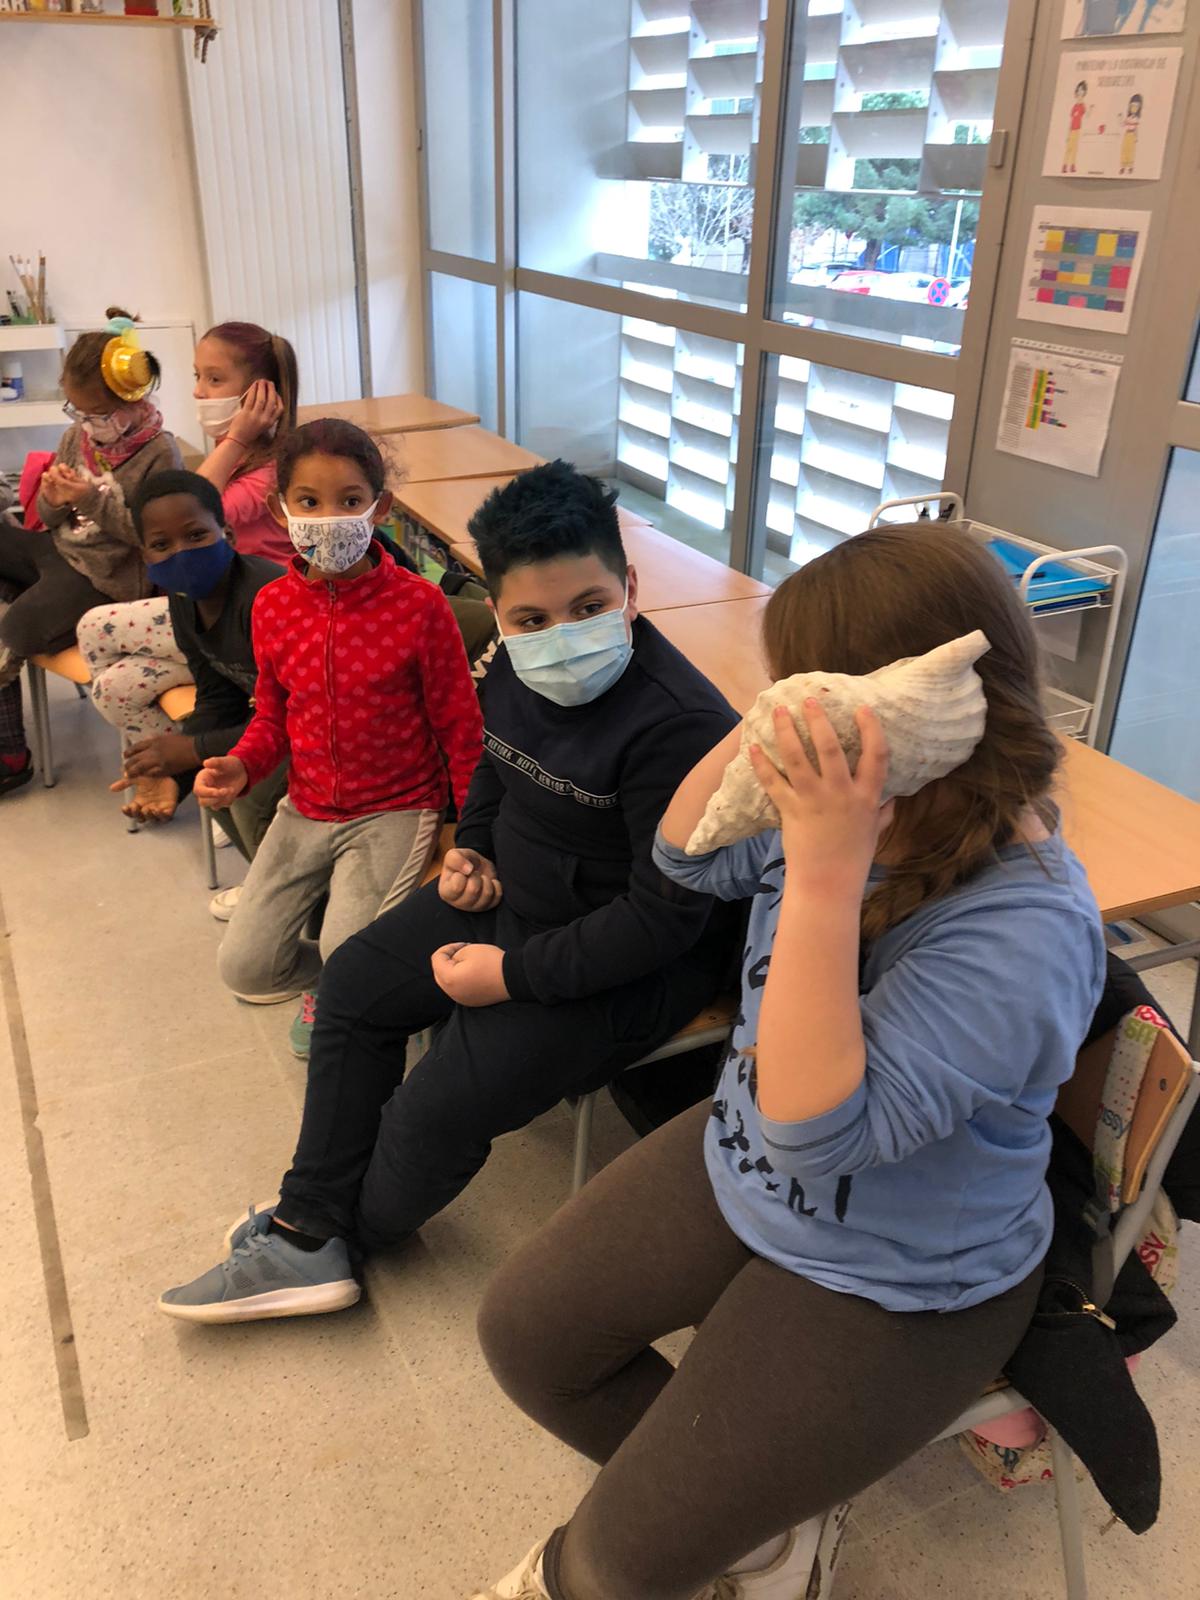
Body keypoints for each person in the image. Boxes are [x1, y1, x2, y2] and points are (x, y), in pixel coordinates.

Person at [468, 521, 1107, 1600]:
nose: (788, 719)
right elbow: (681, 854)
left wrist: (821, 873)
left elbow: (813, 1132)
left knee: (612, 1564)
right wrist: (772, 732)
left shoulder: (1022, 929)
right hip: (748, 1164)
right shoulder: (847, 808)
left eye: (817, 695)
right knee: (528, 1338)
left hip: (902, 1270)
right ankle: (767, 1530)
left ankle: (721, 1518)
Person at [157, 458, 739, 1323]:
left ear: (631, 586)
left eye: (590, 606)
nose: (563, 635)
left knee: (433, 1110)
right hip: (518, 898)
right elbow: (495, 767)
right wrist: (474, 847)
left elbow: (663, 921)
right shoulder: (512, 663)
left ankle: (336, 1237)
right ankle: (310, 1220)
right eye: (532, 618)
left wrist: (511, 977)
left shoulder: (682, 726)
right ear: (497, 610)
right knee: (353, 984)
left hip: (630, 959)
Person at [193, 418, 483, 1058]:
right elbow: (272, 717)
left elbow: (460, 729)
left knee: (343, 950)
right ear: (281, 509)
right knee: (244, 967)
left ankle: (344, 986)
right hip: (307, 807)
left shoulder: (419, 607)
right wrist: (242, 765)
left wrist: (472, 830)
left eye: (350, 500)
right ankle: (343, 980)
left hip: (396, 809)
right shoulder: (273, 606)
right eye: (309, 501)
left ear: (380, 507)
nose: (330, 518)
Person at [76, 321, 297, 821]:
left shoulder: (269, 469)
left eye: (214, 379)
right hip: (215, 614)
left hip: (257, 619)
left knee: (94, 627)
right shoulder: (233, 459)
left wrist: (237, 437)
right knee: (113, 687)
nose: (198, 391)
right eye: (198, 376)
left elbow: (194, 507)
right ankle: (171, 776)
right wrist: (174, 756)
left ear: (261, 395)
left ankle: (202, 762)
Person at [0, 311, 180, 796]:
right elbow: (47, 516)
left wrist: (89, 499)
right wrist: (53, 500)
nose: (88, 425)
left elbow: (153, 537)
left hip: (104, 578)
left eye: (98, 415)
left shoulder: (160, 453)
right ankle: (23, 604)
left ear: (133, 399)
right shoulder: (75, 436)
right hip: (58, 549)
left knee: (15, 630)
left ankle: (18, 623)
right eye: (77, 412)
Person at [94, 469, 290, 870]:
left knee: (248, 799)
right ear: (145, 555)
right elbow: (219, 697)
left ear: (227, 535)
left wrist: (194, 749)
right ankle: (266, 885)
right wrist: (179, 774)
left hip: (321, 730)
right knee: (212, 784)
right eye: (161, 545)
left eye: (196, 535)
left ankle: (286, 896)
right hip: (269, 724)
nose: (181, 553)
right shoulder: (184, 600)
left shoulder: (267, 599)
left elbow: (304, 715)